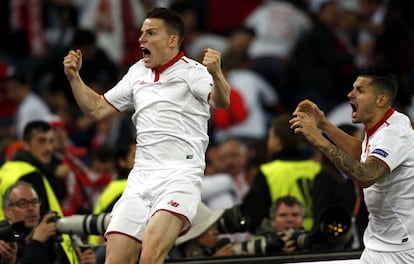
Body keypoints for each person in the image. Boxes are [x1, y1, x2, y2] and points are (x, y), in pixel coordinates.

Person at [63, 7, 230, 264]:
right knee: (115, 260)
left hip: (179, 175)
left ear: (172, 40)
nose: (141, 39)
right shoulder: (136, 72)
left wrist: (216, 73)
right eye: (142, 33)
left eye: (151, 33)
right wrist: (74, 78)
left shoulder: (193, 71)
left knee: (150, 256)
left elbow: (221, 101)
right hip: (140, 177)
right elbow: (96, 109)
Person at [290, 65, 414, 263]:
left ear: (381, 99)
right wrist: (324, 125)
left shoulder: (394, 132)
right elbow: (361, 152)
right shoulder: (381, 127)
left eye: (360, 90)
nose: (350, 94)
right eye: (353, 88)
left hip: (399, 251)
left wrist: (319, 141)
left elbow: (367, 175)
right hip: (378, 243)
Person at [0, 120, 78, 263]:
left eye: (51, 141)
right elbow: (40, 223)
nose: (48, 148)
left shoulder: (7, 169)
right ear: (26, 144)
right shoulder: (30, 175)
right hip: (21, 249)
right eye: (41, 141)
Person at [0, 181, 96, 264]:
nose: (31, 208)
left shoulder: (49, 237)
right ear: (8, 211)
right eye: (22, 203)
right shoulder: (4, 242)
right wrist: (37, 242)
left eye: (34, 202)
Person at [170, 202, 235, 259]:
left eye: (214, 226)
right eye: (209, 228)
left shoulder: (209, 251)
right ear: (196, 234)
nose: (216, 232)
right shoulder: (173, 257)